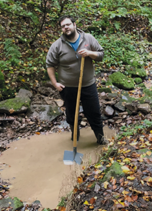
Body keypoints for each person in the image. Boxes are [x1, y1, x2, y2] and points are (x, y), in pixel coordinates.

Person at [46, 15, 108, 145]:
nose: (66, 27)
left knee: (94, 113)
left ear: (74, 25)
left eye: (68, 24)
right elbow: (50, 65)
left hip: (88, 85)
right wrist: (55, 83)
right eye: (63, 26)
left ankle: (100, 138)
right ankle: (75, 137)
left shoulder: (88, 38)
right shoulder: (57, 45)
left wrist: (90, 53)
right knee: (72, 115)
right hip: (67, 87)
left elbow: (100, 54)